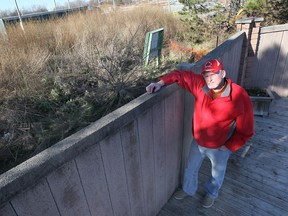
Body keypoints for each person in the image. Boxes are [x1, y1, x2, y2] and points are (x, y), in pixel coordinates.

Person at [146, 59, 254, 208]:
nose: (209, 79)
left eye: (213, 74)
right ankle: (188, 190)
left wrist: (229, 147)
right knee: (190, 169)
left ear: (222, 73)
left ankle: (211, 194)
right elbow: (180, 75)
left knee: (217, 176)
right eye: (206, 75)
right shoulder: (201, 84)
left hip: (220, 147)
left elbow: (246, 130)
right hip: (198, 142)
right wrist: (160, 83)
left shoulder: (238, 96)